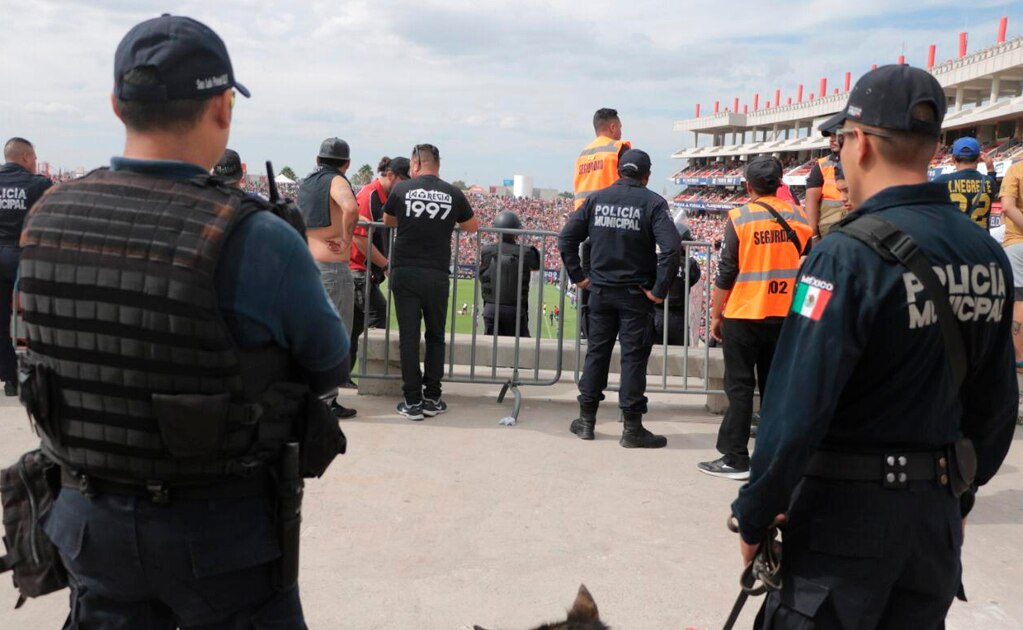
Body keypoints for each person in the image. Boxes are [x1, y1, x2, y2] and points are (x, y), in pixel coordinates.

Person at [22, 15, 348, 627]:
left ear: (118, 104)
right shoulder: (257, 238)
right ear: (224, 109)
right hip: (223, 539)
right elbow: (330, 361)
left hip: (87, 525)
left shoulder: (46, 216)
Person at [732, 65, 1017, 629]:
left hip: (844, 528)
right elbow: (997, 407)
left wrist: (755, 513)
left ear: (858, 143)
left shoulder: (845, 255)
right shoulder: (986, 255)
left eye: (839, 142)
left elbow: (794, 408)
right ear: (932, 145)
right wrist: (955, 497)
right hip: (931, 528)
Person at [698, 156, 812, 479]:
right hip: (784, 318)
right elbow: (808, 270)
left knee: (740, 388)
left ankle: (735, 458)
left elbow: (726, 274)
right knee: (775, 391)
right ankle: (773, 459)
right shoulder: (800, 218)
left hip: (744, 315)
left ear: (748, 186)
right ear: (779, 185)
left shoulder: (739, 218)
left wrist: (716, 314)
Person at [559, 149, 681, 448]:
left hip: (599, 292)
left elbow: (566, 238)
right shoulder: (653, 203)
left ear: (618, 171)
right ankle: (632, 428)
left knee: (596, 355)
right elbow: (671, 248)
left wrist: (579, 277)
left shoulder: (596, 199)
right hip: (634, 295)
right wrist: (659, 290)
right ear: (647, 175)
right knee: (633, 360)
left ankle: (586, 421)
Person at [383, 144, 478, 420]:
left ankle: (412, 401)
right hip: (436, 273)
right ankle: (433, 397)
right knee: (436, 335)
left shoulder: (401, 190)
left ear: (415, 164)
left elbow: (388, 221)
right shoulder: (452, 192)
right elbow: (472, 226)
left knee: (409, 337)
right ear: (438, 164)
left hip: (405, 270)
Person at [297, 137, 360, 418]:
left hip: (309, 266)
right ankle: (326, 401)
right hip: (332, 270)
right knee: (336, 337)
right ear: (346, 164)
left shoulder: (307, 183)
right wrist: (346, 239)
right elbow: (351, 208)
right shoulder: (338, 181)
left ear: (317, 159)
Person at [0, 137, 52, 396]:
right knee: (34, 316)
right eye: (33, 158)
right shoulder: (38, 184)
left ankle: (9, 380)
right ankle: (34, 374)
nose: (34, 163)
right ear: (24, 158)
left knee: (1, 321)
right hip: (24, 256)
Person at [574, 108, 632, 337]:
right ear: (613, 127)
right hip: (611, 225)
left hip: (585, 228)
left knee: (590, 288)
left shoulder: (583, 154)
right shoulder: (618, 149)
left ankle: (588, 336)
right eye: (620, 128)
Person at [349, 156, 409, 373]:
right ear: (391, 176)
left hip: (364, 271)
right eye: (405, 180)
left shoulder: (387, 198)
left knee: (354, 327)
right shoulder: (369, 195)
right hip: (357, 269)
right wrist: (386, 265)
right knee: (378, 314)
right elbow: (359, 238)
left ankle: (344, 376)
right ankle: (375, 373)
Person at [480, 210, 541, 337]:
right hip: (515, 311)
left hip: (491, 309)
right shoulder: (527, 252)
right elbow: (536, 265)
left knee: (493, 350)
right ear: (517, 232)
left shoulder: (486, 251)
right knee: (520, 350)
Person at [932, 137, 999, 230]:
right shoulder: (989, 181)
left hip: (953, 241)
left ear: (953, 159)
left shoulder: (942, 181)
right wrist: (990, 168)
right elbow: (993, 186)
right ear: (979, 159)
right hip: (980, 240)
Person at [653, 218, 702, 345]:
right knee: (679, 358)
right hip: (677, 320)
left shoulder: (655, 260)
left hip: (655, 315)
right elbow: (694, 278)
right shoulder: (690, 264)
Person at [1001, 159, 1023, 369]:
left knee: (1019, 300)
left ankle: (1019, 357)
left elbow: (1007, 206)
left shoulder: (1017, 169)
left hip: (1018, 242)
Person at [805, 127, 843, 238]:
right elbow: (811, 201)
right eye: (831, 136)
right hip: (828, 231)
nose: (832, 140)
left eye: (836, 136)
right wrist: (814, 235)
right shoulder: (822, 165)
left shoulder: (865, 162)